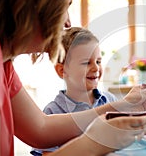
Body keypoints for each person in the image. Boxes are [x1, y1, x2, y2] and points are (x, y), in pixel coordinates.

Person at [0, 0, 146, 156]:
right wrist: (93, 143)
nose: (68, 22)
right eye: (64, 7)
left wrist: (125, 104)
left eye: (98, 61)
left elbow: (41, 128)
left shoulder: (4, 65)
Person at [31, 27, 119, 155]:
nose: (96, 68)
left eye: (98, 61)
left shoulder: (110, 101)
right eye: (86, 62)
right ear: (62, 71)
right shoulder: (52, 112)